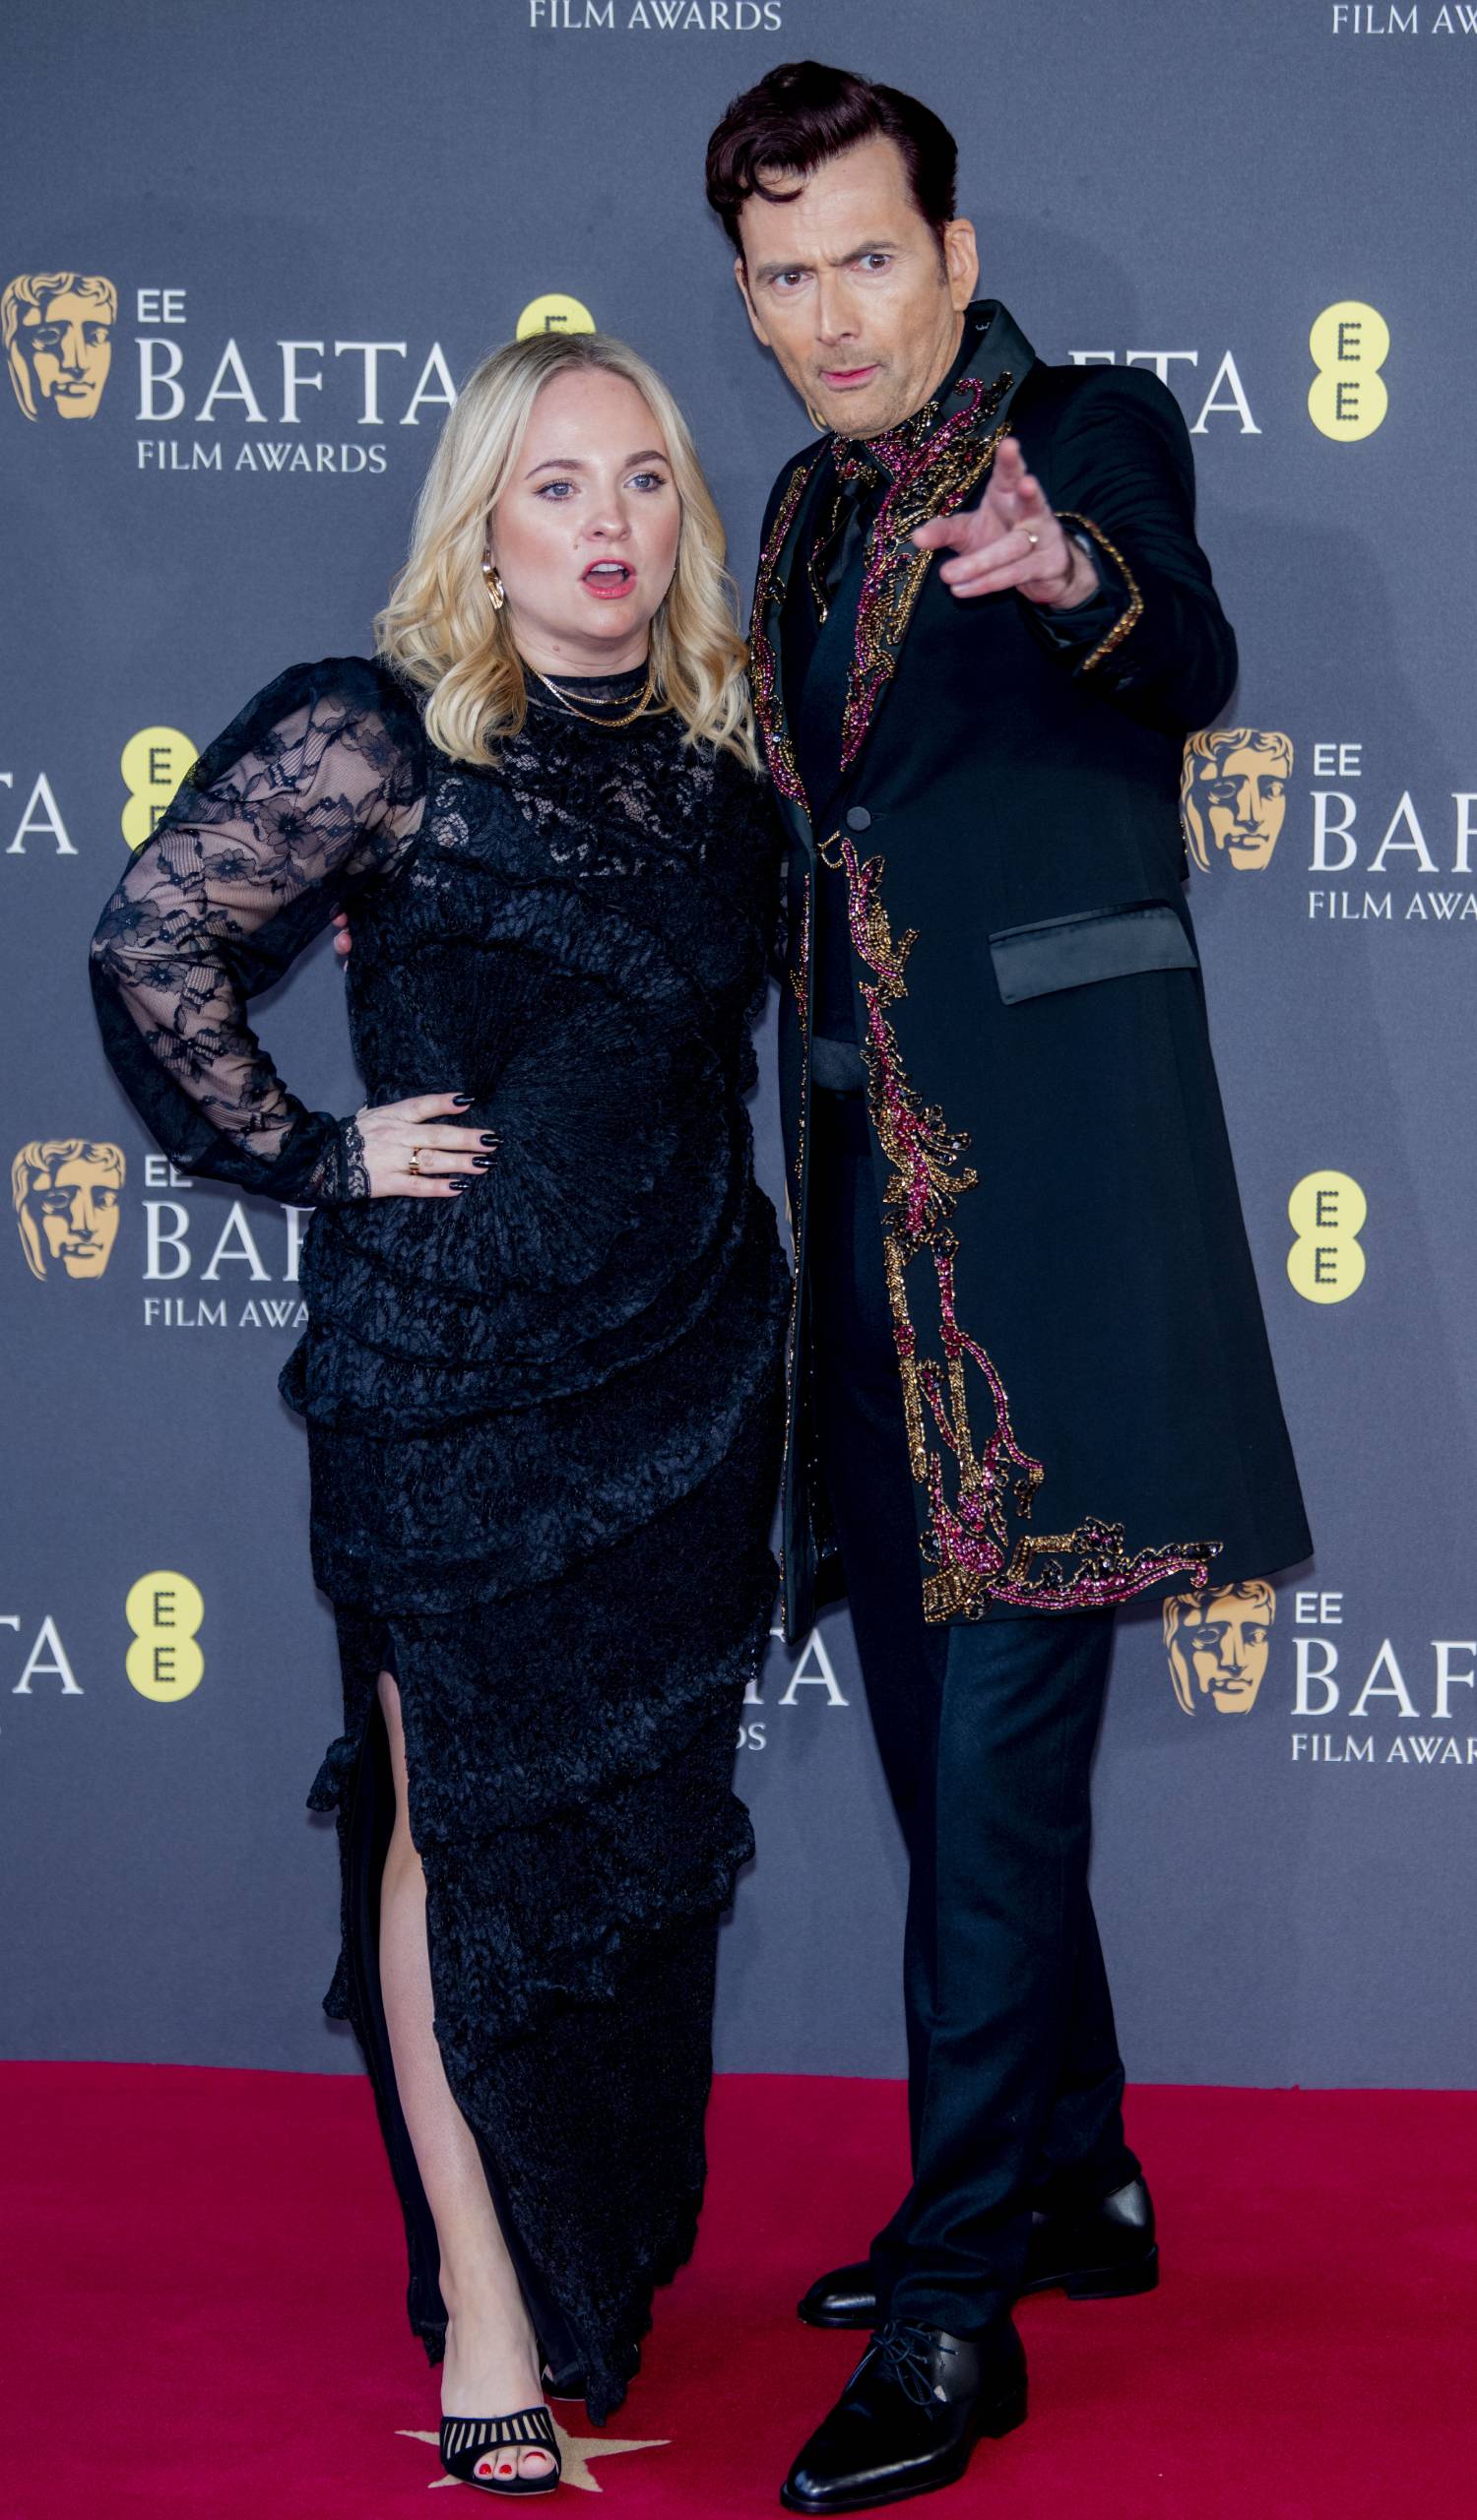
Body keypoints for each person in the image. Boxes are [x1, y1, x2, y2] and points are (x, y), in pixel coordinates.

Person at [89, 328, 788, 2495]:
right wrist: (316, 1154)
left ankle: (589, 2268)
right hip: (455, 1386)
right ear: (482, 526)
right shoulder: (376, 734)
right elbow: (152, 943)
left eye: (644, 479)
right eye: (555, 485)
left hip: (687, 1379)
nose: (607, 523)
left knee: (633, 1843)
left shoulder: (730, 767)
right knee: (450, 1818)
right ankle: (486, 2297)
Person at [703, 60, 1313, 2514]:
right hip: (861, 1206)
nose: (832, 313)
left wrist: (1073, 579)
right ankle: (1077, 2166)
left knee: (991, 1781)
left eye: (869, 256)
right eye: (784, 276)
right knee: (922, 1738)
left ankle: (963, 2305)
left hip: (1051, 1207)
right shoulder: (789, 505)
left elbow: (1189, 652)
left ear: (954, 255)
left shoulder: (1089, 429)